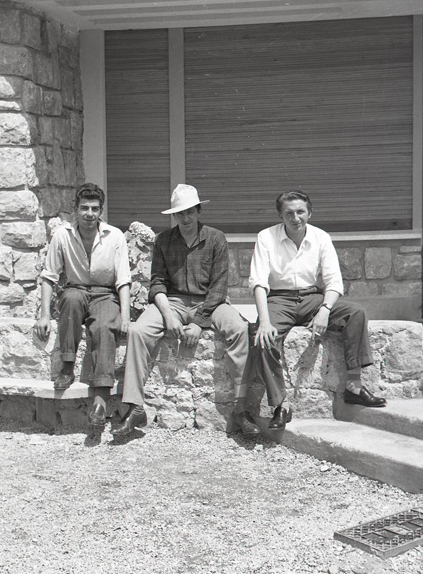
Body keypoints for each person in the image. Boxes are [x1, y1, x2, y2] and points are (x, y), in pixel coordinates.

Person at [113, 184, 259, 437]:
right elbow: (157, 282)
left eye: (190, 211)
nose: (186, 218)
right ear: (174, 215)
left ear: (199, 211)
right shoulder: (164, 240)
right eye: (180, 213)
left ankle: (240, 407)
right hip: (174, 302)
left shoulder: (215, 238)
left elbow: (219, 287)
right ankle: (135, 407)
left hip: (210, 302)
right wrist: (168, 316)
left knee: (238, 328)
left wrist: (199, 323)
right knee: (138, 331)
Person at [249, 190, 386, 430]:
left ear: (309, 213)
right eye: (289, 213)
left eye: (300, 212)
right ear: (280, 216)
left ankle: (353, 386)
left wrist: (325, 309)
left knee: (355, 312)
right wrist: (264, 321)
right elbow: (259, 282)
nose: (295, 218)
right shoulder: (266, 237)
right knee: (264, 337)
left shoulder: (321, 237)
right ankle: (281, 404)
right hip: (279, 300)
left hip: (312, 298)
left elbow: (334, 282)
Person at [35, 183, 131, 429]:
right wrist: (44, 315)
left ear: (101, 211)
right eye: (84, 208)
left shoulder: (115, 237)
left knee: (104, 327)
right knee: (70, 299)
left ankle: (100, 401)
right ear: (75, 209)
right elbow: (49, 276)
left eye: (94, 209)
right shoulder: (62, 235)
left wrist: (126, 317)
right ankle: (67, 367)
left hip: (104, 293)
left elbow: (123, 280)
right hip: (76, 289)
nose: (89, 214)